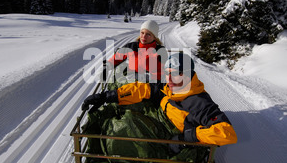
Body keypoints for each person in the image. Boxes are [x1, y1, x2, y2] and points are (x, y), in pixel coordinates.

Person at [82, 52, 237, 148]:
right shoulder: (169, 88)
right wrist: (106, 97)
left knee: (126, 127)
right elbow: (143, 89)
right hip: (160, 119)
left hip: (171, 134)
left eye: (175, 73)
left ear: (188, 74)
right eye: (168, 73)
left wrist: (188, 137)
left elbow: (227, 133)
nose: (169, 79)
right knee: (124, 109)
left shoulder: (198, 102)